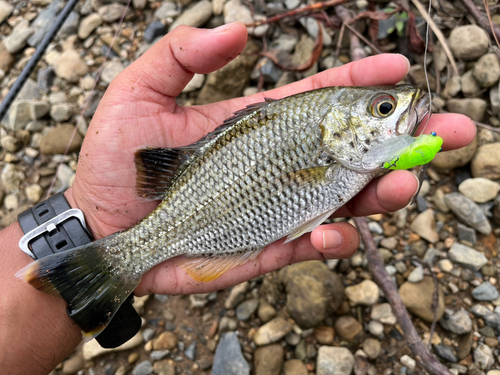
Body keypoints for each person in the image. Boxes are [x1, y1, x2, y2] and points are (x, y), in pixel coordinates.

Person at [0, 22, 475, 374]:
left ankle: (84, 268)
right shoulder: (327, 138)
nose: (396, 110)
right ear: (340, 129)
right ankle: (101, 265)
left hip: (217, 222)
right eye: (384, 109)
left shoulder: (343, 150)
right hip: (201, 221)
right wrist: (98, 225)